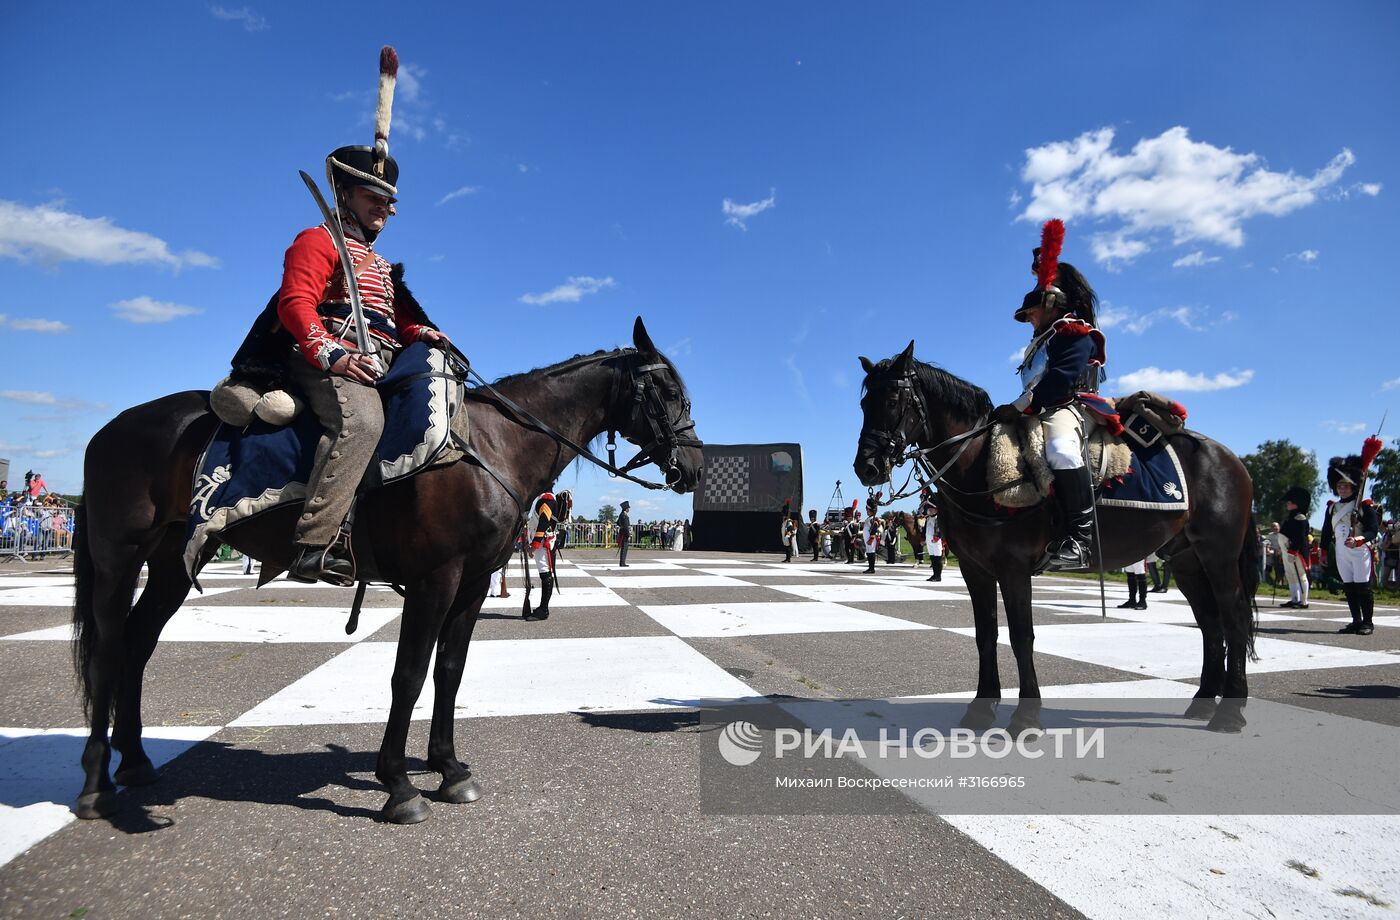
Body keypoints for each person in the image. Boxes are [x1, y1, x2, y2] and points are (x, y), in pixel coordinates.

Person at [230, 53, 452, 586]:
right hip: (322, 360)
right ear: (346, 194)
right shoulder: (318, 240)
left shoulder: (377, 264)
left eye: (391, 199)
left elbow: (396, 318)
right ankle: (315, 542)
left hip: (378, 360)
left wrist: (422, 332)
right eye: (377, 195)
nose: (388, 208)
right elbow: (296, 305)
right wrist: (332, 353)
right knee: (365, 421)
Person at [992, 220, 1105, 571]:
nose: (1028, 320)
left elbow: (1058, 381)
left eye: (1031, 312)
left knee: (1059, 449)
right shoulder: (1044, 338)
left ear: (1052, 303)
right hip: (1041, 407)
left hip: (1069, 405)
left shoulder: (1072, 332)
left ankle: (1080, 539)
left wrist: (1020, 406)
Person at [1321, 455, 1379, 635]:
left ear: (1353, 486)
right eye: (1339, 486)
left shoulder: (1363, 506)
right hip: (1341, 551)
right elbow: (1325, 532)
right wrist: (1323, 552)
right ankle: (1356, 620)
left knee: (1363, 587)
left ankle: (1368, 623)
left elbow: (1372, 530)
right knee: (1349, 587)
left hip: (1360, 550)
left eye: (1346, 486)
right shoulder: (1332, 508)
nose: (1343, 489)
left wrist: (1359, 540)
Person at [525, 492, 561, 621]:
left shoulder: (546, 499)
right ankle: (543, 608)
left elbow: (543, 523)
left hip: (542, 544)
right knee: (545, 574)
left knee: (545, 575)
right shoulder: (545, 498)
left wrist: (533, 546)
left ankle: (543, 610)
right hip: (543, 543)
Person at [1278, 485, 1312, 609]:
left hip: (1295, 552)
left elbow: (1300, 537)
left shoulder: (1300, 518)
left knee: (1300, 575)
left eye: (1290, 502)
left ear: (1296, 504)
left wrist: (1293, 550)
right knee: (1291, 575)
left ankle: (1303, 601)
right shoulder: (1291, 517)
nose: (1288, 504)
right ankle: (1294, 598)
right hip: (1287, 551)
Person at [861, 495, 882, 573]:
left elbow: (874, 528)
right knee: (869, 552)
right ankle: (870, 568)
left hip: (871, 539)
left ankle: (872, 568)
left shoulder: (873, 519)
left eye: (867, 510)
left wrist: (872, 537)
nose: (866, 511)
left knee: (871, 552)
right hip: (869, 539)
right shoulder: (870, 518)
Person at [924, 505, 945, 582]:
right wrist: (923, 538)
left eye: (931, 509)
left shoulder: (938, 518)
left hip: (936, 540)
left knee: (938, 559)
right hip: (929, 540)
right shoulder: (928, 518)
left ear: (935, 510)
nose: (930, 511)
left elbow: (940, 529)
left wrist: (937, 537)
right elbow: (924, 529)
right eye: (929, 509)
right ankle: (934, 574)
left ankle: (938, 576)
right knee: (933, 558)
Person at [616, 500, 631, 567]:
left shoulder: (621, 515)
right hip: (625, 533)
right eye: (628, 508)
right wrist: (628, 534)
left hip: (622, 532)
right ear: (626, 508)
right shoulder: (624, 515)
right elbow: (626, 526)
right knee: (624, 548)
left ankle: (622, 562)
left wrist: (621, 527)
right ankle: (622, 563)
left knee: (624, 548)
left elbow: (618, 523)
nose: (629, 509)